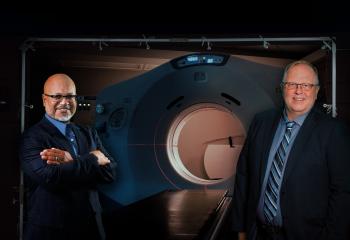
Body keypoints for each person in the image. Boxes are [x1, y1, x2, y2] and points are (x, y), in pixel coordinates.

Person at [231, 60, 350, 240]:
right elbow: (244, 176)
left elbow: (343, 192)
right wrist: (241, 229)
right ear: (282, 88)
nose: (298, 90)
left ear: (316, 91)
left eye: (306, 85)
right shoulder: (261, 122)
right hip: (257, 232)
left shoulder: (333, 131)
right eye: (292, 84)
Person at [20, 73, 117, 240]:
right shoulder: (33, 137)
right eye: (57, 96)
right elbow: (51, 177)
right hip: (52, 230)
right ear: (44, 100)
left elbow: (110, 173)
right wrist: (93, 159)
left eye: (70, 96)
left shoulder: (88, 133)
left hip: (90, 226)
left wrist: (72, 163)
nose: (65, 102)